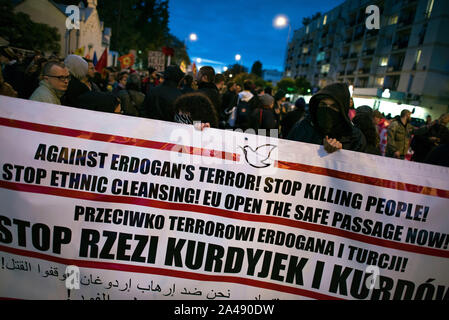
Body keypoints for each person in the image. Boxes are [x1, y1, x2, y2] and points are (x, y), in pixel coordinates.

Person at [287, 83, 366, 154]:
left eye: (334, 106)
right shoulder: (303, 126)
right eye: (323, 104)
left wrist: (341, 153)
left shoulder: (354, 137)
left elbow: (358, 165)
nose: (327, 110)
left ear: (343, 109)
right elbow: (287, 151)